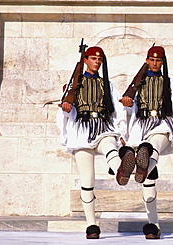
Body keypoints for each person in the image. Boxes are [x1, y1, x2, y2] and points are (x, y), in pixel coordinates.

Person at [119, 46, 173, 239]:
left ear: (162, 63)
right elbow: (129, 110)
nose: (155, 63)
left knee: (152, 147)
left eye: (158, 60)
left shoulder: (169, 83)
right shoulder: (137, 84)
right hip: (141, 127)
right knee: (149, 180)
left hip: (163, 124)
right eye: (152, 60)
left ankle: (133, 166)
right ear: (146, 61)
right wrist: (127, 105)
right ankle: (153, 225)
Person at [56, 46, 131, 239]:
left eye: (100, 59)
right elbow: (65, 111)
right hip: (81, 129)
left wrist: (121, 132)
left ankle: (121, 170)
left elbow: (116, 110)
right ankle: (91, 225)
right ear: (86, 60)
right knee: (87, 181)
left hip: (103, 125)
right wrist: (65, 109)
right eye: (94, 58)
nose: (97, 62)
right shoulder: (72, 84)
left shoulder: (107, 84)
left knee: (110, 146)